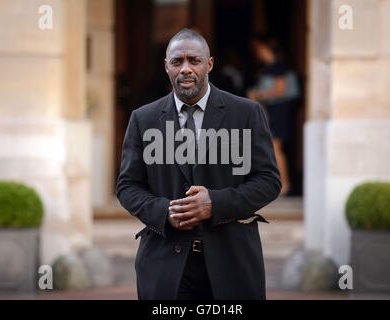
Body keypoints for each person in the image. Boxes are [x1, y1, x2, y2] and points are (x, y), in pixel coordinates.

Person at [116, 28, 281, 300]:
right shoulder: (142, 119)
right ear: (166, 66)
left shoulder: (247, 113)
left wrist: (214, 204)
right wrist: (164, 212)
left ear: (209, 64)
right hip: (164, 267)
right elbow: (127, 186)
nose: (185, 69)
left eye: (194, 60)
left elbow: (268, 181)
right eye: (177, 61)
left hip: (232, 264)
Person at [247, 37, 299, 196]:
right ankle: (282, 184)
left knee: (276, 147)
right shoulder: (269, 68)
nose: (259, 54)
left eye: (261, 50)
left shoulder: (278, 66)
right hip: (275, 111)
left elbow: (280, 90)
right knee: (274, 147)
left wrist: (259, 94)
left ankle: (285, 185)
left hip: (279, 112)